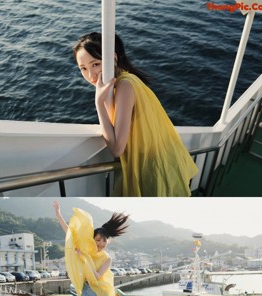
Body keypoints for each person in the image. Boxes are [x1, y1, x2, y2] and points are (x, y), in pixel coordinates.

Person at [73, 32, 198, 197]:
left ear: (113, 58)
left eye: (95, 64)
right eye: (83, 68)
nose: (90, 75)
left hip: (153, 166)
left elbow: (117, 149)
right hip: (157, 159)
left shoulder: (124, 86)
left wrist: (99, 103)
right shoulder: (126, 80)